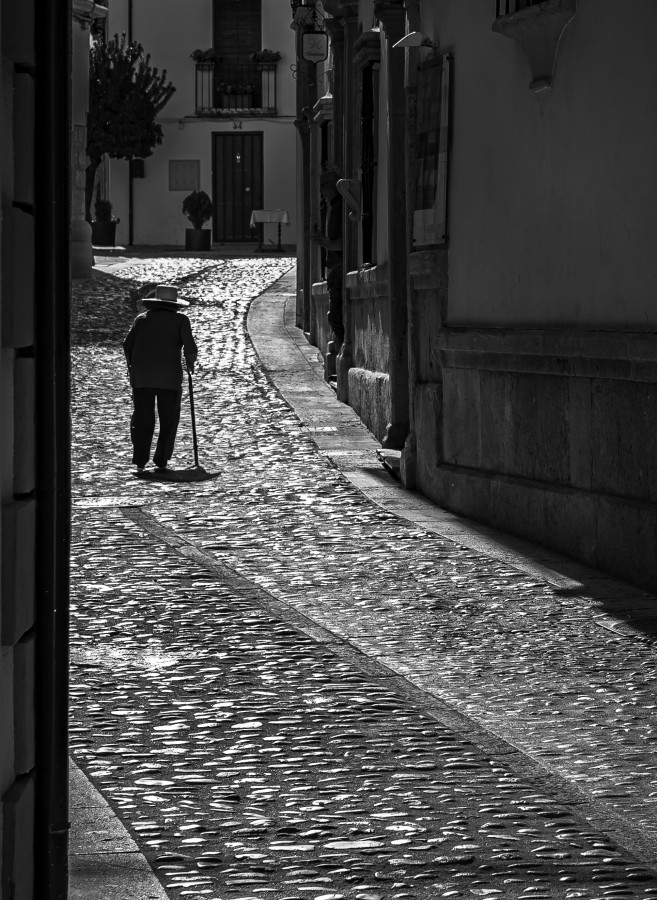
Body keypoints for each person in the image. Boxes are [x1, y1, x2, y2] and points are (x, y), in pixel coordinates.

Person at [123, 284, 198, 473]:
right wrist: (190, 364)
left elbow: (127, 345)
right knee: (169, 420)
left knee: (142, 419)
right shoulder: (181, 320)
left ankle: (140, 461)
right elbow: (189, 347)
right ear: (174, 304)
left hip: (142, 379)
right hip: (169, 379)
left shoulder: (140, 320)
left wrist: (132, 367)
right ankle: (161, 460)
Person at [311, 168, 344, 346]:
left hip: (338, 268)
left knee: (335, 317)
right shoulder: (333, 207)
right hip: (334, 269)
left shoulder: (339, 208)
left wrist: (322, 241)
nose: (321, 191)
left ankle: (343, 352)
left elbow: (340, 243)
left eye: (323, 186)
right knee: (335, 317)